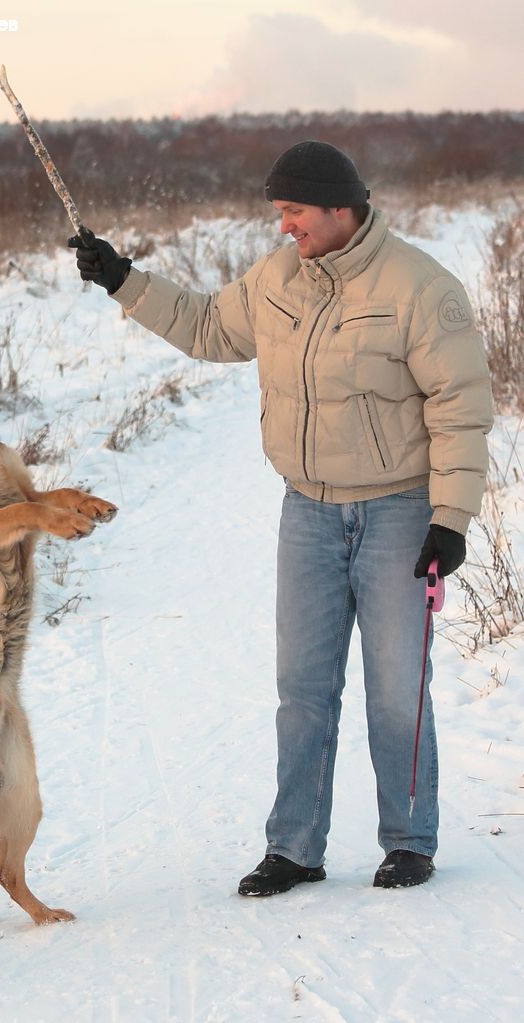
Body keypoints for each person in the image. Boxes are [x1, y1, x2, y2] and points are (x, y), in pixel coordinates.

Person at [69, 140, 493, 894]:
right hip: (308, 511)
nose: (284, 227)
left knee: (397, 686)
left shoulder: (420, 288)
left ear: (340, 207)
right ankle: (294, 846)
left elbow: (461, 408)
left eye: (294, 211)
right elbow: (207, 327)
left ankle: (409, 839)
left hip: (398, 510)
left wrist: (451, 518)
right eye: (280, 213)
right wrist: (123, 280)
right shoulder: (275, 281)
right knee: (302, 687)